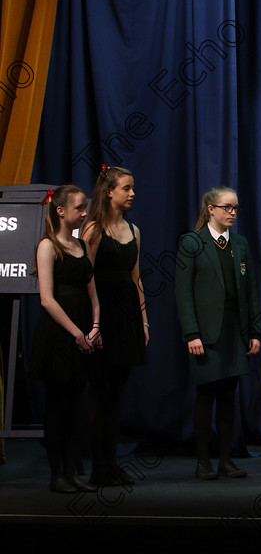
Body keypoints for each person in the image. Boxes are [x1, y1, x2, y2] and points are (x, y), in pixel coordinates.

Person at [174, 186, 261, 480]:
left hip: (233, 329)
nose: (232, 213)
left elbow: (250, 292)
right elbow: (183, 292)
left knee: (228, 396)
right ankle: (203, 462)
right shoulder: (192, 242)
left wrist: (254, 331)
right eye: (227, 207)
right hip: (206, 332)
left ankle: (225, 459)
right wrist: (191, 333)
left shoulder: (240, 244)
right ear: (210, 209)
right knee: (206, 395)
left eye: (235, 208)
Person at [31, 185, 100, 493]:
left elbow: (93, 293)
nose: (84, 213)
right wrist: (76, 333)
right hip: (60, 334)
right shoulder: (48, 246)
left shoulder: (82, 245)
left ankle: (72, 473)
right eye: (79, 208)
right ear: (60, 211)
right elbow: (47, 299)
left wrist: (95, 325)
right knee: (58, 407)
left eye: (85, 207)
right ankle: (57, 474)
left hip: (84, 330)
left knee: (74, 406)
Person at [82, 165, 148, 486]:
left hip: (128, 319)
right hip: (103, 316)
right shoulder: (93, 230)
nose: (132, 193)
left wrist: (144, 320)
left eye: (133, 188)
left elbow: (136, 279)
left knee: (117, 393)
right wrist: (94, 323)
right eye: (126, 188)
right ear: (109, 191)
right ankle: (98, 467)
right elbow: (86, 276)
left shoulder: (134, 231)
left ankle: (111, 463)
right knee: (101, 390)